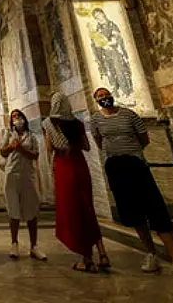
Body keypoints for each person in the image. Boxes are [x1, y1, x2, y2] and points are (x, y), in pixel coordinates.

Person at [90, 87, 173, 284]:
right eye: (100, 96)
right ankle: (150, 253)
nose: (104, 98)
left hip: (135, 163)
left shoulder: (129, 114)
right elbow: (99, 142)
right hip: (115, 165)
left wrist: (131, 152)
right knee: (132, 212)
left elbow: (144, 139)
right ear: (96, 100)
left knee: (155, 209)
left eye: (105, 94)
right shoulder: (95, 120)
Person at [43, 91, 109, 273]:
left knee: (73, 212)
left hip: (65, 168)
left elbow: (49, 149)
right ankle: (102, 253)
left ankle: (86, 259)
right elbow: (87, 146)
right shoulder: (77, 124)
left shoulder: (49, 124)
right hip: (80, 166)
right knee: (88, 209)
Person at [0, 109, 47, 261]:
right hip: (12, 174)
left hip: (27, 176)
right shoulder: (8, 134)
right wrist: (11, 147)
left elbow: (35, 155)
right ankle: (14, 244)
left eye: (18, 116)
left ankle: (34, 246)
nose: (16, 118)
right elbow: (3, 152)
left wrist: (20, 148)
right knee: (13, 210)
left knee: (31, 211)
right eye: (13, 117)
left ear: (24, 119)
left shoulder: (31, 136)